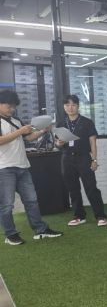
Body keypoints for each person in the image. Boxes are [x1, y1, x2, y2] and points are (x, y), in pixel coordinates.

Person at [0, 90, 63, 245]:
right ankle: (10, 235)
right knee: (7, 205)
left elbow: (28, 138)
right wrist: (20, 131)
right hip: (4, 168)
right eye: (9, 106)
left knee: (32, 201)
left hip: (23, 166)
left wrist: (43, 130)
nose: (12, 109)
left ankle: (40, 230)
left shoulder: (16, 120)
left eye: (14, 106)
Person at [55, 95, 107, 227]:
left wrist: (94, 160)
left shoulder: (87, 122)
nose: (70, 108)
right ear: (64, 107)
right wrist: (59, 143)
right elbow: (57, 143)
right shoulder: (61, 124)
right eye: (67, 105)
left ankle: (100, 216)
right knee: (73, 189)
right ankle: (79, 216)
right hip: (67, 158)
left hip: (84, 158)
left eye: (73, 105)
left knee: (91, 188)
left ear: (78, 106)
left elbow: (93, 142)